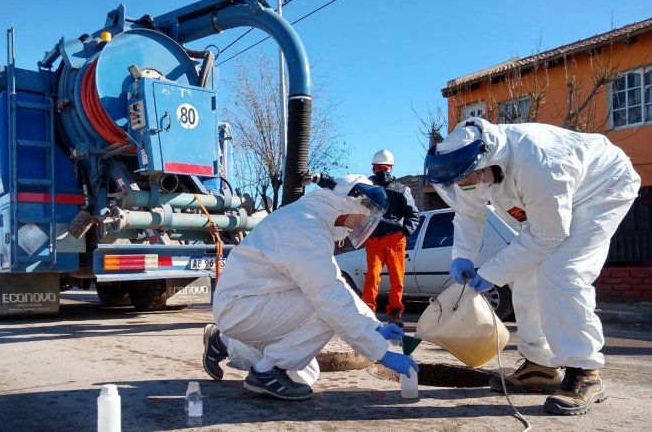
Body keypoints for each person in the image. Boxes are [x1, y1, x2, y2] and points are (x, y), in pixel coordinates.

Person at [424, 117, 640, 415]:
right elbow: (469, 215)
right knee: (525, 272)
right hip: (554, 201)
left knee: (563, 271)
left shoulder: (539, 162)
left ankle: (585, 371)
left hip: (602, 186)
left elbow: (548, 236)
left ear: (488, 161)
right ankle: (540, 365)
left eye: (467, 179)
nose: (463, 186)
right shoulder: (468, 166)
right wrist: (463, 255)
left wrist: (490, 273)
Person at [202, 175, 418, 401]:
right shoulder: (304, 226)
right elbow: (330, 297)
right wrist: (380, 352)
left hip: (250, 303)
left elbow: (337, 285)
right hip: (241, 306)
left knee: (305, 373)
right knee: (324, 309)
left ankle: (223, 341)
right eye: (362, 218)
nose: (360, 225)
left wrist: (375, 327)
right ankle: (265, 374)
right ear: (348, 202)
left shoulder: (312, 220)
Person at [364, 149, 420, 326]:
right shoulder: (368, 189)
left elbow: (413, 214)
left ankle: (395, 313)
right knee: (372, 276)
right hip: (374, 239)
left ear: (390, 168)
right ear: (373, 168)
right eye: (377, 168)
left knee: (397, 278)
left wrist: (405, 231)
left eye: (383, 168)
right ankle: (367, 312)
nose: (380, 171)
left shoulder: (402, 190)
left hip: (395, 238)